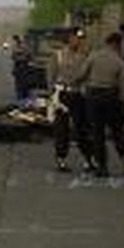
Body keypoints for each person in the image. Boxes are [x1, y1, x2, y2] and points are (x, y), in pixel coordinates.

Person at [74, 32, 124, 178]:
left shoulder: (94, 56)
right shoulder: (118, 61)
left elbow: (81, 75)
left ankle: (102, 167)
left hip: (93, 98)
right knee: (117, 131)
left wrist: (78, 83)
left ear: (106, 42)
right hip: (111, 97)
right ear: (117, 44)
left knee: (97, 133)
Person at [48, 29, 94, 172]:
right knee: (61, 128)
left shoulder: (85, 56)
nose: (79, 41)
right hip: (62, 94)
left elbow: (89, 76)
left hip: (78, 95)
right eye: (77, 38)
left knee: (82, 128)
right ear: (69, 38)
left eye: (81, 39)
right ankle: (61, 159)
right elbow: (51, 75)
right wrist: (53, 96)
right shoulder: (58, 56)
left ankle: (88, 159)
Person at [11, 35, 32, 100]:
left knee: (23, 85)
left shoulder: (23, 47)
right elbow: (13, 57)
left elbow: (14, 57)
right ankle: (23, 99)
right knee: (21, 85)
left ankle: (24, 99)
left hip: (22, 66)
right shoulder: (17, 47)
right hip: (20, 67)